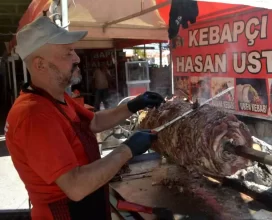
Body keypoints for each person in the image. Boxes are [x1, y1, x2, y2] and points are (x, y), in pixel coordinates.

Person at [5, 16, 164, 220]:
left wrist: (133, 105)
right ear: (40, 65)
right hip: (66, 213)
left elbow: (94, 122)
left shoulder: (57, 98)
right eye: (68, 52)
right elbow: (75, 186)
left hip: (89, 205)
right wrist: (128, 149)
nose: (77, 58)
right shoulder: (34, 116)